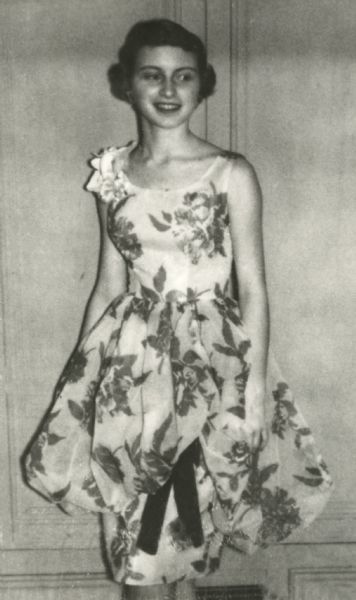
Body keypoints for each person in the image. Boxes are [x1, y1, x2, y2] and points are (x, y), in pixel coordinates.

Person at [24, 18, 333, 600]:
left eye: (183, 76)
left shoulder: (230, 173)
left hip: (208, 372)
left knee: (176, 547)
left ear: (202, 85)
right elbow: (108, 283)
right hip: (131, 379)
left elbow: (254, 288)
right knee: (143, 547)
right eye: (152, 75)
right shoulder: (113, 176)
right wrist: (83, 388)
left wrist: (254, 393)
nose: (168, 89)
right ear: (127, 85)